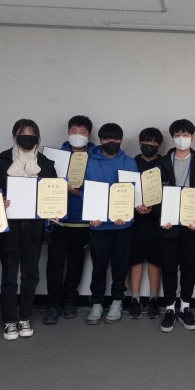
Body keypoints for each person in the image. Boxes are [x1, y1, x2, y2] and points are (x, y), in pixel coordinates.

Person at [0, 119, 57, 341]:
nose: (28, 136)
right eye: (23, 133)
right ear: (14, 135)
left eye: (32, 133)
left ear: (37, 137)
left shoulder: (46, 164)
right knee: (9, 276)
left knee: (31, 275)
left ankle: (25, 316)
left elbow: (52, 195)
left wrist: (54, 208)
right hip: (9, 228)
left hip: (34, 228)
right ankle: (10, 319)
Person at [157, 119, 195, 332]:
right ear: (172, 137)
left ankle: (185, 307)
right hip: (168, 224)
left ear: (192, 137)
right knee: (169, 266)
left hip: (191, 224)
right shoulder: (161, 163)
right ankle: (170, 308)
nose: (182, 138)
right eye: (178, 135)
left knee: (189, 267)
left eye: (186, 135)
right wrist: (162, 217)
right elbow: (154, 194)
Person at [84, 123, 138, 325]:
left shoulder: (130, 162)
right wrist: (92, 213)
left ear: (121, 140)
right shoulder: (89, 162)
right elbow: (86, 191)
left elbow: (134, 191)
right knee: (99, 266)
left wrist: (125, 212)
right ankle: (97, 303)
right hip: (99, 225)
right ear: (100, 140)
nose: (111, 142)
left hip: (122, 225)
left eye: (115, 139)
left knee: (120, 265)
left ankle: (117, 301)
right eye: (107, 139)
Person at [44, 115, 94, 325]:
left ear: (89, 135)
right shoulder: (54, 156)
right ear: (68, 132)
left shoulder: (95, 157)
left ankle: (70, 300)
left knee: (76, 262)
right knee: (55, 262)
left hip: (81, 219)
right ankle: (53, 303)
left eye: (82, 132)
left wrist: (75, 192)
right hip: (57, 220)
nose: (78, 135)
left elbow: (97, 190)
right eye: (74, 131)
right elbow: (43, 185)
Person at [128, 127, 163, 320]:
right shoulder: (131, 163)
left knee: (155, 261)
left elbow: (169, 192)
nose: (149, 145)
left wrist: (153, 208)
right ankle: (134, 299)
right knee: (135, 260)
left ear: (159, 145)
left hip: (156, 221)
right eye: (146, 142)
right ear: (140, 143)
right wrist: (134, 207)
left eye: (153, 143)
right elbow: (124, 189)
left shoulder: (164, 164)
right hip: (134, 221)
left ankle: (153, 299)